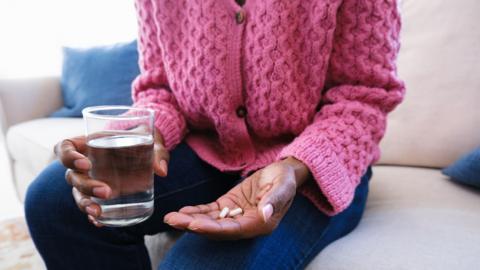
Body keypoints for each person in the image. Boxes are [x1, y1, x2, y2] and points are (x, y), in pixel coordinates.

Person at [25, 0, 405, 269]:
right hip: (206, 151)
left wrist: (295, 165)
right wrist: (144, 132)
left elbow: (362, 98)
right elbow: (160, 87)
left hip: (312, 167)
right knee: (54, 200)